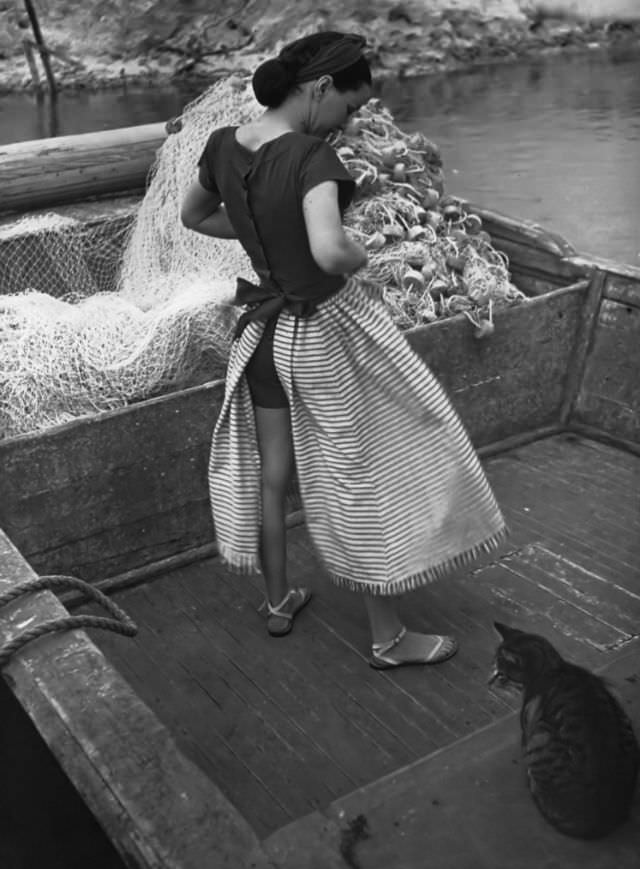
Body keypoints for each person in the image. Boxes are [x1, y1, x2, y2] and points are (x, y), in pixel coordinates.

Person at [181, 31, 506, 668]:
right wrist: (361, 254)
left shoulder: (224, 146)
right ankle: (388, 638)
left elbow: (194, 216)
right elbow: (331, 253)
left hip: (262, 333)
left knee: (275, 476)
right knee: (362, 474)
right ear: (322, 88)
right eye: (350, 108)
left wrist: (262, 236)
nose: (348, 121)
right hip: (321, 332)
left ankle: (278, 602)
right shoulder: (311, 157)